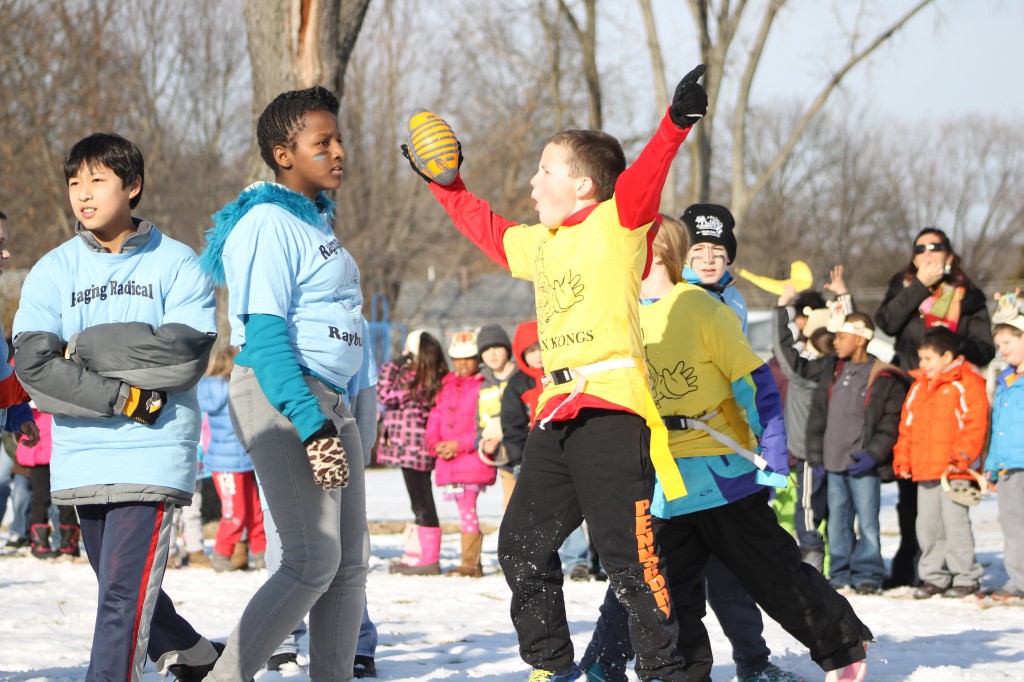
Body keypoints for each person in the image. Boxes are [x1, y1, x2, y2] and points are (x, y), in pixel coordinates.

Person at [402, 64, 709, 681]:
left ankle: (666, 672)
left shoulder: (618, 223)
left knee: (630, 561)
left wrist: (674, 125)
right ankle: (552, 668)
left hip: (612, 410)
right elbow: (486, 227)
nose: (532, 181)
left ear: (585, 185)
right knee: (520, 545)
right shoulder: (542, 241)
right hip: (556, 411)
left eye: (545, 170)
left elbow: (644, 180)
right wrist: (447, 184)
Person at [580, 217, 872, 682]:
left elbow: (754, 382)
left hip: (721, 472)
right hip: (664, 481)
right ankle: (685, 674)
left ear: (657, 251)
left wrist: (771, 450)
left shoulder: (699, 306)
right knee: (669, 593)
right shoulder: (622, 316)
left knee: (769, 572)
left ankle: (842, 647)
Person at [12, 132, 219, 682]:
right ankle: (195, 656)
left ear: (132, 186)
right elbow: (34, 367)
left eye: (97, 180)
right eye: (74, 182)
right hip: (81, 457)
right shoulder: (53, 269)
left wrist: (82, 348)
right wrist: (124, 395)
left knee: (121, 596)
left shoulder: (177, 263)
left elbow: (182, 355)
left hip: (152, 452)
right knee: (117, 585)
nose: (82, 193)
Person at [199, 85, 367, 682]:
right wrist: (311, 422)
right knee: (310, 560)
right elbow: (265, 338)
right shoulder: (266, 223)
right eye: (322, 142)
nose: (338, 151)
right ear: (283, 154)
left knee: (348, 566)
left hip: (330, 399)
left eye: (339, 139)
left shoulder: (315, 222)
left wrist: (348, 406)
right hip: (285, 396)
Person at [874, 227, 995, 588]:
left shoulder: (968, 296)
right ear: (913, 258)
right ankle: (914, 566)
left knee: (950, 503)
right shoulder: (903, 286)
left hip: (952, 396)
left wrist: (947, 347)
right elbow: (887, 323)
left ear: (949, 256)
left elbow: (984, 349)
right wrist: (919, 288)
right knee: (913, 495)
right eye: (920, 249)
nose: (928, 254)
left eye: (935, 248)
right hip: (911, 392)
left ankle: (956, 571)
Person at [262, 317, 381, 678]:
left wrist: (360, 452)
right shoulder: (271, 312)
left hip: (335, 449)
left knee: (345, 557)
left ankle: (357, 641)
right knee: (284, 552)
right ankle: (283, 640)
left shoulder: (351, 318)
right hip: (283, 443)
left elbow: (365, 391)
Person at [806, 313, 909, 595]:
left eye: (841, 337)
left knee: (867, 523)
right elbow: (817, 416)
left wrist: (874, 455)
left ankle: (868, 574)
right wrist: (817, 457)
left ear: (861, 339)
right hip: (832, 463)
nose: (835, 342)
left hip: (864, 465)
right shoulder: (832, 371)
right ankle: (840, 573)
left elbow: (890, 421)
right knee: (837, 523)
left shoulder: (884, 376)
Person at [892, 326, 988, 598]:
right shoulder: (919, 386)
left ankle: (966, 576)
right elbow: (907, 427)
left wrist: (963, 456)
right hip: (925, 469)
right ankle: (934, 576)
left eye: (928, 359)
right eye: (921, 358)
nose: (923, 364)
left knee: (955, 524)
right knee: (928, 526)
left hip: (954, 471)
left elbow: (975, 423)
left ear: (947, 356)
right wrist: (903, 459)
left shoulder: (966, 382)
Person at [774, 268, 854, 572]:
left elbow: (785, 344)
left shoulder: (806, 370)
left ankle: (815, 562)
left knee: (808, 510)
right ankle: (836, 564)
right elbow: (856, 332)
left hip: (813, 453)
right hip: (837, 451)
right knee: (838, 509)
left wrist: (783, 308)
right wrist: (843, 297)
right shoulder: (840, 367)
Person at [378, 329, 449, 575]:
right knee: (419, 500)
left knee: (421, 502)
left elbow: (384, 393)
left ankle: (428, 558)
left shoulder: (414, 377)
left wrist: (393, 364)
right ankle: (420, 553)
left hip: (412, 449)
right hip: (417, 448)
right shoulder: (430, 376)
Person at [426, 330, 494, 577]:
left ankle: (470, 562)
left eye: (468, 358)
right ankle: (471, 561)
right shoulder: (446, 385)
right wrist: (435, 443)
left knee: (467, 508)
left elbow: (484, 423)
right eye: (458, 359)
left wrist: (459, 445)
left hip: (471, 457)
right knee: (463, 508)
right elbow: (436, 416)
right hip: (449, 459)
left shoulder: (484, 385)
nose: (463, 364)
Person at [198, 346, 266, 572]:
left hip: (242, 460)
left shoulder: (220, 389)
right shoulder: (229, 389)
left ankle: (262, 554)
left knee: (254, 510)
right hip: (226, 464)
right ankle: (222, 554)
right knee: (234, 513)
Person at [987, 293, 1024, 602]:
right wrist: (992, 465)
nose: (1003, 350)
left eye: (1008, 342)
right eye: (999, 345)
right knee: (1012, 526)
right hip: (1009, 467)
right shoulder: (1005, 381)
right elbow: (997, 428)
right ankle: (1019, 580)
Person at [17, 406, 81, 559]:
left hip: (59, 451)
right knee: (41, 499)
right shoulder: (30, 405)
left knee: (64, 499)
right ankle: (39, 543)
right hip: (39, 452)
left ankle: (69, 544)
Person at [498, 320, 543, 507]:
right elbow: (512, 426)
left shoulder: (561, 375)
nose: (538, 355)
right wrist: (518, 460)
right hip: (531, 456)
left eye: (541, 348)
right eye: (531, 350)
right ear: (522, 354)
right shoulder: (516, 385)